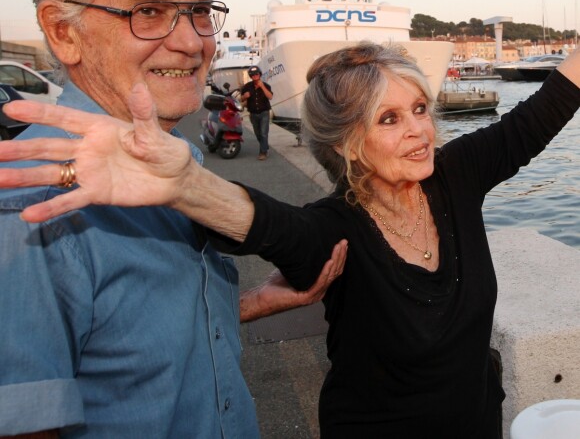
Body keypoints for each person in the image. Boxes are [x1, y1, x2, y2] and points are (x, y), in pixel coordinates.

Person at [2, 58, 580, 437]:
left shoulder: (455, 175)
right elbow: (271, 225)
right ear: (351, 144)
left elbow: (542, 111)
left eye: (421, 109)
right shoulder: (335, 227)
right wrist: (186, 186)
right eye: (390, 118)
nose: (419, 130)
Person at [0, 0, 347, 439]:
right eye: (149, 12)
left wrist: (255, 302)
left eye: (199, 12)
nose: (191, 42)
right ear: (64, 31)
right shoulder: (33, 209)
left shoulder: (171, 158)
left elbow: (128, 336)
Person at [241, 65, 273, 160]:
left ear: (260, 74)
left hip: (264, 113)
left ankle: (263, 153)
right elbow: (241, 99)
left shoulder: (266, 86)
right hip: (253, 114)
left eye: (257, 74)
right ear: (251, 76)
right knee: (257, 133)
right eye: (253, 75)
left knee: (264, 133)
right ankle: (265, 146)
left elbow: (270, 96)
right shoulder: (247, 86)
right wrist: (244, 97)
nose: (255, 76)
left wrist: (262, 86)